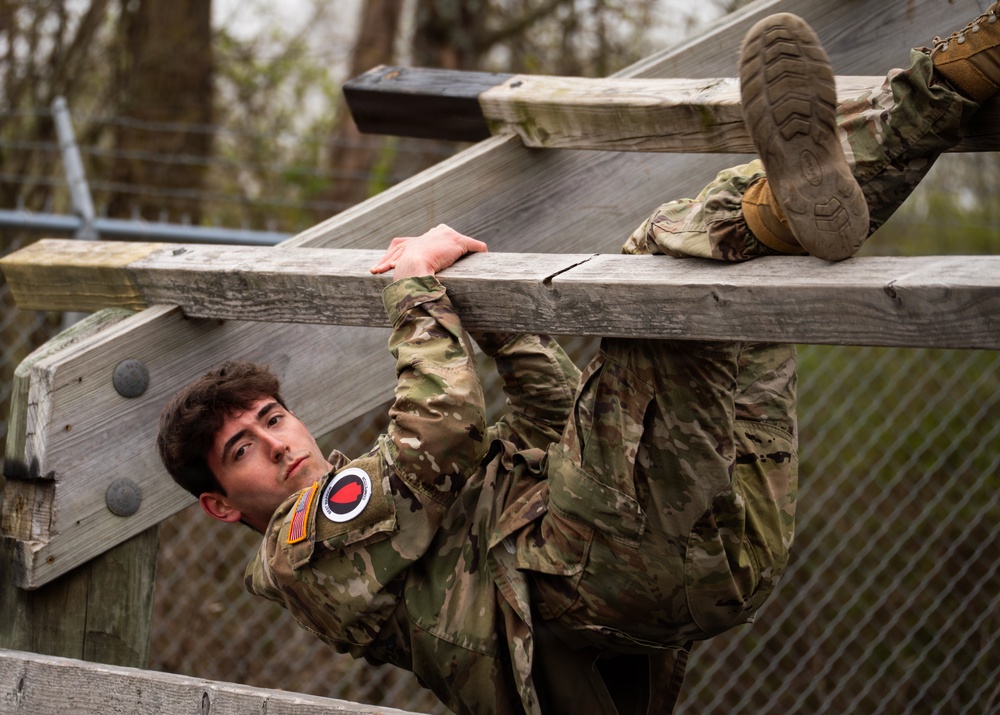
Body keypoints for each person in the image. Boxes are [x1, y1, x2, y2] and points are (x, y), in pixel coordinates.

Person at [156, 9, 1000, 715]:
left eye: (272, 418)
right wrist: (415, 290)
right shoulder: (305, 548)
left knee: (746, 254)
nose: (277, 445)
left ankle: (951, 82)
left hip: (721, 535)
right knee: (653, 265)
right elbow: (445, 429)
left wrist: (491, 309)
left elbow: (556, 413)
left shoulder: (407, 505)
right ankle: (878, 134)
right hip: (622, 559)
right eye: (243, 452)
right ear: (221, 507)